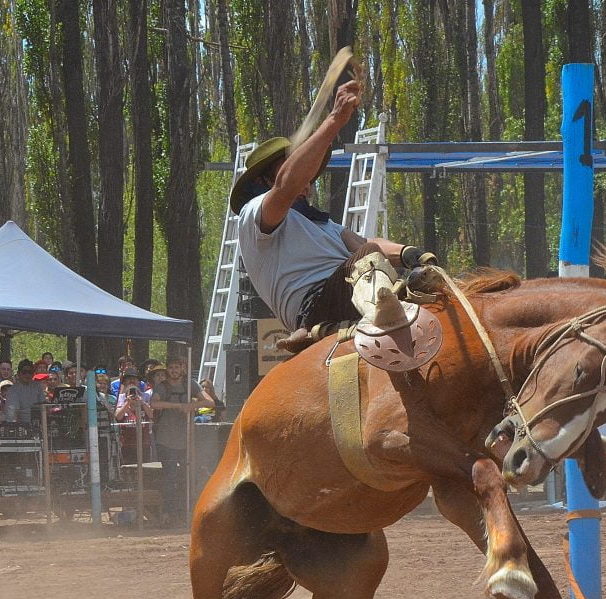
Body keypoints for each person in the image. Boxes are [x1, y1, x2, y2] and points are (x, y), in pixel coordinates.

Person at [231, 77, 429, 351]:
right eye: (301, 171)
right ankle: (337, 327)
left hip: (354, 287)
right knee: (369, 257)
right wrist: (335, 119)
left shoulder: (324, 225)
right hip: (315, 304)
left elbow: (362, 242)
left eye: (310, 175)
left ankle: (372, 315)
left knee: (424, 282)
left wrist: (411, 253)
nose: (308, 182)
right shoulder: (254, 216)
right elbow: (286, 186)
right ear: (263, 182)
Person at [148, 357, 218, 525]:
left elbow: (210, 402)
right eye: (171, 367)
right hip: (166, 439)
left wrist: (192, 406)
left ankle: (188, 510)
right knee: (169, 477)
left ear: (182, 369)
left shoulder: (190, 385)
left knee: (188, 475)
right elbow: (154, 403)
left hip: (185, 438)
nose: (174, 370)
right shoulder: (162, 386)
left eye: (177, 367)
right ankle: (169, 513)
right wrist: (178, 406)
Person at [4, 360, 45, 424]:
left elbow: (43, 408)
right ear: (18, 373)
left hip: (38, 424)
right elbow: (12, 415)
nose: (27, 375)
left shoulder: (38, 387)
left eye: (30, 372)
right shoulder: (13, 390)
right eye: (24, 372)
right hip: (20, 426)